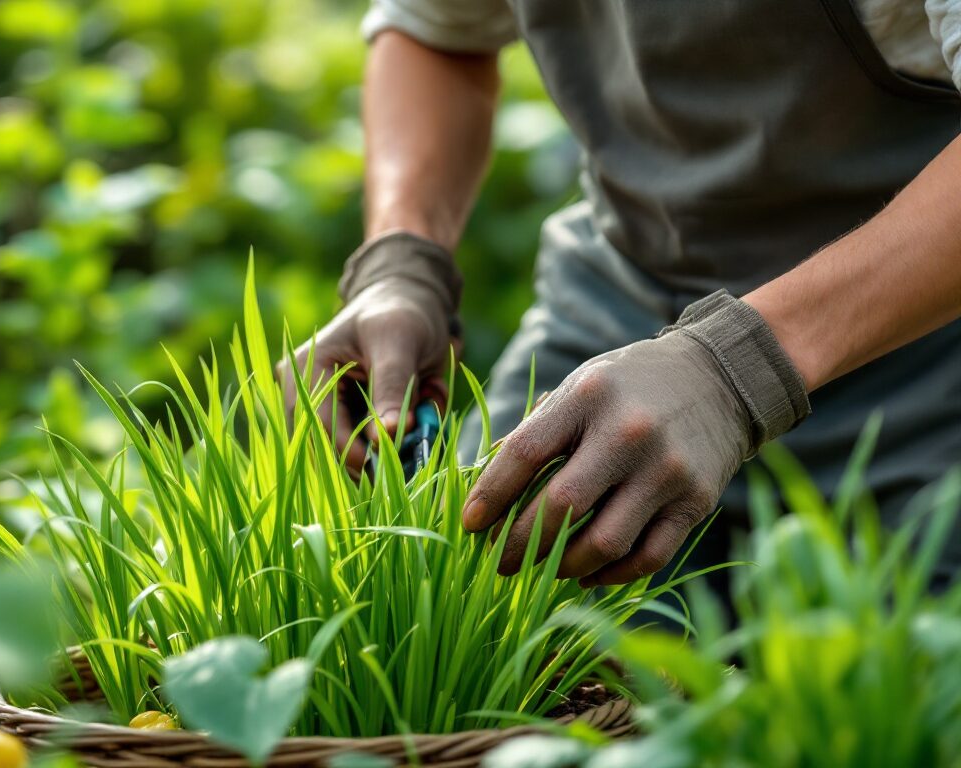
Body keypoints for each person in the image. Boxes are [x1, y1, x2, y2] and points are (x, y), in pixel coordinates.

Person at [287, 0, 961, 591]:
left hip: (919, 360)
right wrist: (403, 263)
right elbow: (438, 28)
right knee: (487, 622)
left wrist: (734, 368)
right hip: (617, 309)